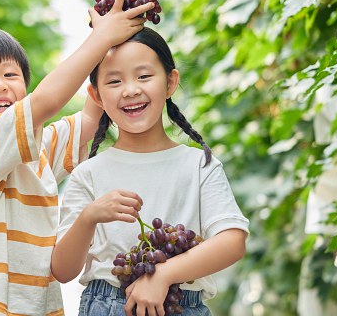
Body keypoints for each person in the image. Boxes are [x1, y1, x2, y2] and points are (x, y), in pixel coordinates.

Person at [0, 0, 155, 316]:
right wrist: (100, 39)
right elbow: (47, 101)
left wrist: (113, 48)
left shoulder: (34, 148)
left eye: (10, 74)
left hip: (35, 305)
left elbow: (91, 117)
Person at [50, 27, 250, 316]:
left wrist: (164, 274)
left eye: (144, 76)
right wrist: (88, 217)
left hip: (182, 305)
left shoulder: (198, 165)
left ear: (170, 82)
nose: (131, 90)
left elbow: (232, 240)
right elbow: (63, 269)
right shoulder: (88, 173)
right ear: (96, 95)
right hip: (106, 306)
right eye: (115, 81)